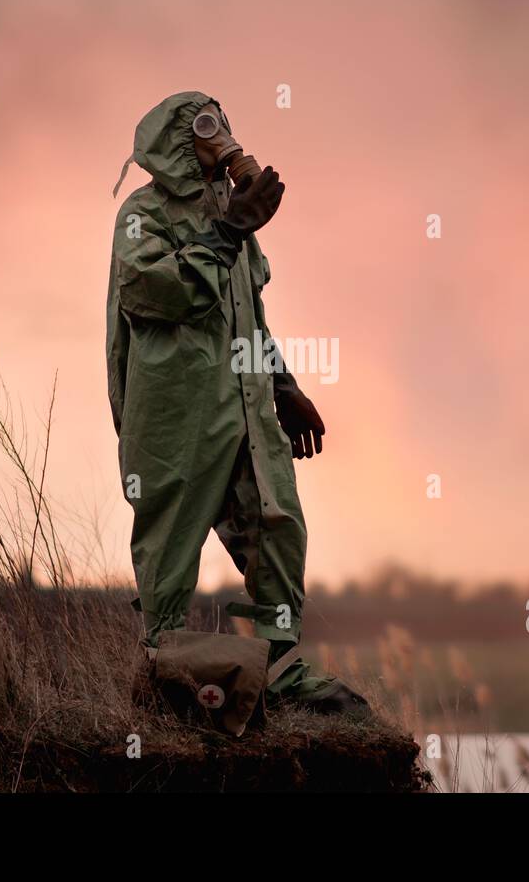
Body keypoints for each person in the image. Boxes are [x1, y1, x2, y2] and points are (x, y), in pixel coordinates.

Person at [107, 91, 368, 715]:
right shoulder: (142, 214)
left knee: (279, 528)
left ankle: (274, 674)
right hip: (179, 418)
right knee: (170, 543)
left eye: (221, 124)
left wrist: (285, 387)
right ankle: (167, 681)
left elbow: (249, 318)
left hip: (248, 415)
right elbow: (156, 293)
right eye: (202, 127)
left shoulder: (233, 215)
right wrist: (226, 231)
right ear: (174, 141)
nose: (217, 137)